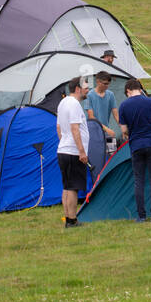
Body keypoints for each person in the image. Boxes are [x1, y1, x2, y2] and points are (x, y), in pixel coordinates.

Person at [117, 78, 151, 222]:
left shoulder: (124, 105)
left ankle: (141, 216)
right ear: (140, 89)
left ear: (128, 91)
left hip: (136, 145)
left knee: (139, 181)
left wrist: (131, 131)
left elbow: (124, 130)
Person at [56, 76, 91, 229]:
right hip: (73, 152)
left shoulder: (63, 103)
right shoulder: (75, 104)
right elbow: (75, 128)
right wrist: (81, 151)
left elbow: (58, 127)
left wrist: (64, 142)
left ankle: (68, 218)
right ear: (77, 88)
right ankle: (72, 220)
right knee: (73, 187)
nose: (87, 90)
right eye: (86, 88)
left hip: (63, 149)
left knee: (67, 186)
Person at [83, 70, 122, 178]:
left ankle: (111, 178)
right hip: (93, 133)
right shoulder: (89, 95)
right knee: (96, 159)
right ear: (98, 82)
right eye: (105, 84)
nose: (107, 86)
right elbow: (91, 117)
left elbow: (115, 113)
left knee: (112, 156)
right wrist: (106, 129)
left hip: (107, 133)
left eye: (108, 84)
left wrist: (122, 127)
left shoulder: (110, 95)